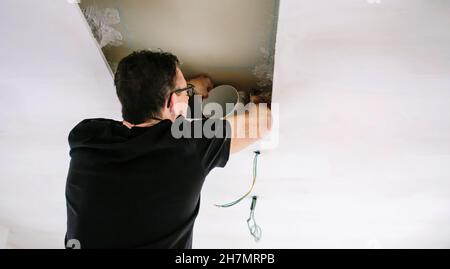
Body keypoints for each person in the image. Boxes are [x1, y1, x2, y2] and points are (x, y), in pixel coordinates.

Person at [65, 50, 271, 249]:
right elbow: (261, 122)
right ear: (172, 100)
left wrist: (182, 91)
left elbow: (151, 106)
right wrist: (258, 101)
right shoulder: (188, 147)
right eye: (184, 92)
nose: (188, 96)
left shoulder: (85, 137)